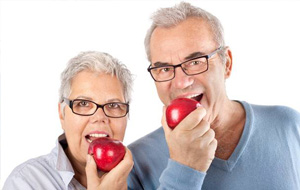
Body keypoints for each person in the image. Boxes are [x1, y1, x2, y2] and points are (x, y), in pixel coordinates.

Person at [127, 2, 300, 190]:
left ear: (227, 64)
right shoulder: (135, 163)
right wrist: (184, 168)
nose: (181, 82)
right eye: (165, 69)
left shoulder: (289, 126)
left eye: (195, 62)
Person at [3, 51, 134, 189]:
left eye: (113, 105)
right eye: (83, 104)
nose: (100, 117)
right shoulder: (25, 182)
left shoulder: (144, 176)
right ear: (62, 114)